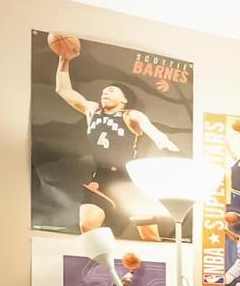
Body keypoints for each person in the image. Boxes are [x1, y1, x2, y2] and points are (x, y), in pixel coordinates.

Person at [54, 54, 180, 240]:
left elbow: (154, 133)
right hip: (102, 177)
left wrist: (171, 150)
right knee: (87, 225)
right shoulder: (92, 111)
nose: (105, 93)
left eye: (112, 91)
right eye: (104, 91)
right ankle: (97, 263)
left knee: (149, 236)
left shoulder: (130, 115)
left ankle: (155, 266)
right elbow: (64, 90)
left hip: (128, 180)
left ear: (123, 100)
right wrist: (63, 59)